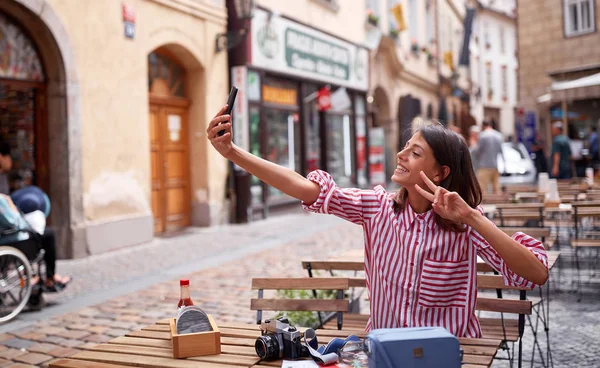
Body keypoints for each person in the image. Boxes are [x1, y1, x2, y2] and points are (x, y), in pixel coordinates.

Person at [207, 105, 548, 338]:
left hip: (449, 352)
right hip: (385, 350)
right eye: (405, 148)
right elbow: (305, 188)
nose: (400, 155)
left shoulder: (463, 224)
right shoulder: (377, 208)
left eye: (415, 153)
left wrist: (473, 217)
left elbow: (535, 274)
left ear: (441, 172)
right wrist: (233, 152)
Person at [5, 187, 71, 291]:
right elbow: (14, 221)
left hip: (8, 238)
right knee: (49, 235)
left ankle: (47, 276)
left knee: (44, 234)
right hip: (16, 240)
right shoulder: (3, 200)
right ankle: (50, 276)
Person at [472, 120, 504, 194]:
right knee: (496, 190)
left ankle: (484, 205)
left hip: (484, 166)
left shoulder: (483, 135)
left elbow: (478, 151)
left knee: (482, 189)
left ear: (483, 126)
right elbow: (501, 151)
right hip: (495, 166)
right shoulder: (499, 135)